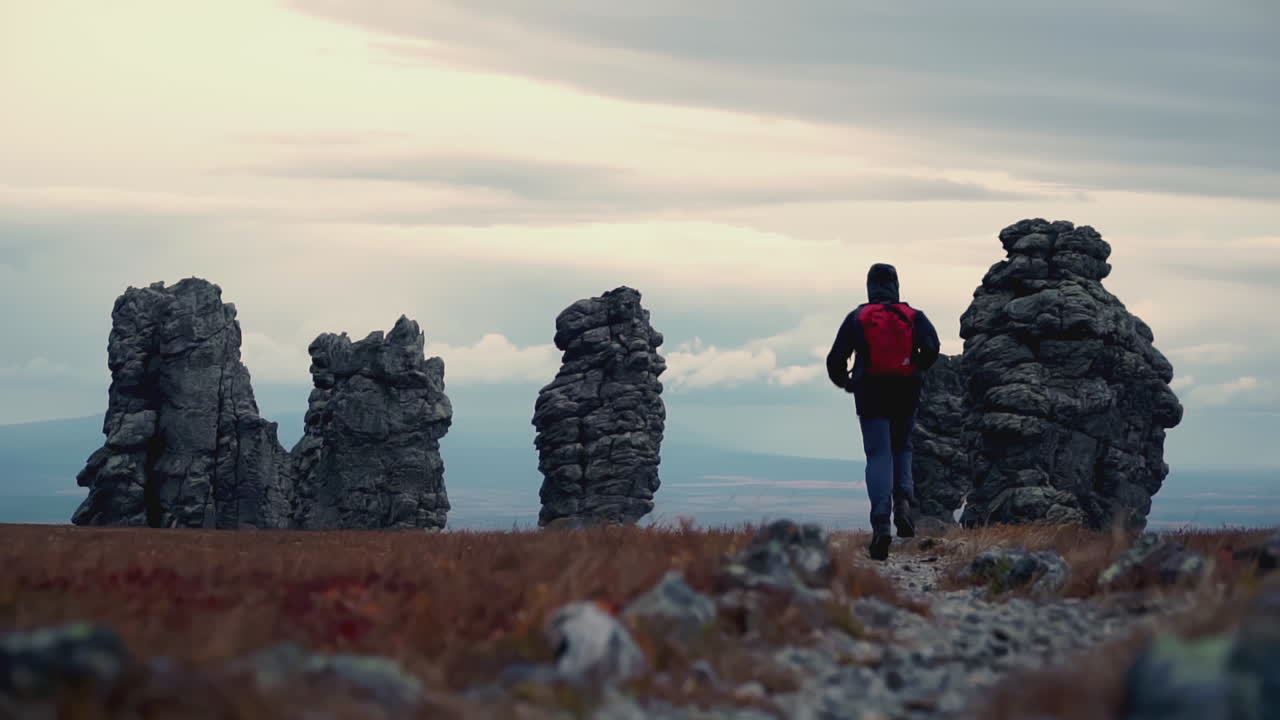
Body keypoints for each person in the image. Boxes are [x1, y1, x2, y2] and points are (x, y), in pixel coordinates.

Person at [826, 263, 941, 561]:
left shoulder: (858, 317)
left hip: (871, 393)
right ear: (896, 285)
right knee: (902, 447)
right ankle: (903, 505)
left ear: (869, 286)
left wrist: (847, 383)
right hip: (906, 392)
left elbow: (835, 359)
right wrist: (916, 369)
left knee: (878, 454)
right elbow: (932, 348)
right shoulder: (913, 316)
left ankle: (881, 525)